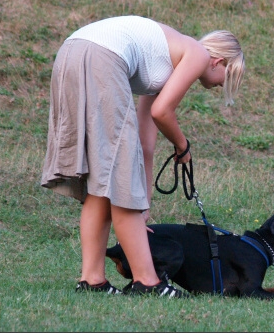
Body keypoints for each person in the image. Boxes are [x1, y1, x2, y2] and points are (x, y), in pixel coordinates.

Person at [41, 15, 245, 297]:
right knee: (119, 178)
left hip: (72, 51)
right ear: (218, 61)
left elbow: (145, 142)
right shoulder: (197, 53)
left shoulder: (169, 59)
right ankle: (148, 283)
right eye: (229, 77)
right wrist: (182, 146)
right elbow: (163, 112)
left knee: (105, 181)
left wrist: (144, 207)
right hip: (101, 57)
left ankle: (92, 281)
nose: (223, 85)